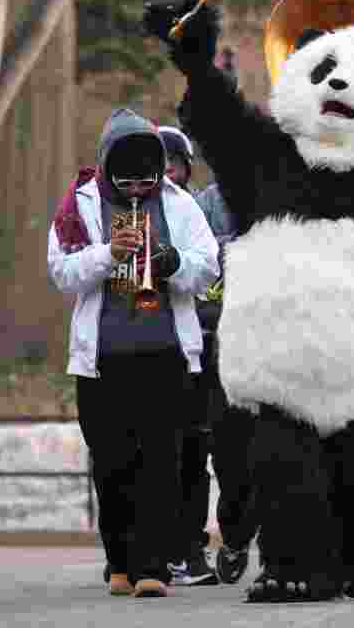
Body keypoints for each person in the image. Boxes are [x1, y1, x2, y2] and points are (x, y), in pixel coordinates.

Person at [48, 108, 218, 598]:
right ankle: (118, 561)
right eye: (127, 177)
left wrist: (171, 262)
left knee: (161, 462)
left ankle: (152, 566)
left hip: (164, 354)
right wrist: (109, 254)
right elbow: (62, 272)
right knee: (112, 463)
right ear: (106, 166)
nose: (137, 188)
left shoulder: (180, 204)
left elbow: (207, 267)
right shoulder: (78, 205)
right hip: (102, 359)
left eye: (147, 175)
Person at [157, 125, 219, 586]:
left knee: (195, 452)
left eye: (173, 164)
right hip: (155, 347)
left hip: (204, 347)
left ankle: (192, 546)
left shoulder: (201, 212)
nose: (166, 174)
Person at [193, 178, 259, 585]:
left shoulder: (281, 195)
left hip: (271, 351)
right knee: (231, 459)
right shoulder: (201, 204)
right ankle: (235, 537)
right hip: (218, 354)